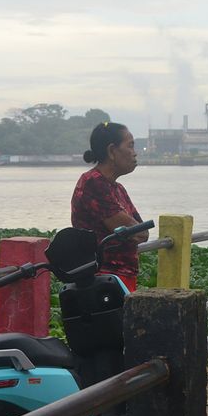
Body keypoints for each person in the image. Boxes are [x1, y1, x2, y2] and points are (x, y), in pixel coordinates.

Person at [70, 122, 148, 292]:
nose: (135, 153)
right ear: (112, 151)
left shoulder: (117, 188)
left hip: (120, 279)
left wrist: (136, 230)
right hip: (104, 282)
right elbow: (136, 232)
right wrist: (135, 230)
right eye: (131, 146)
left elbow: (142, 233)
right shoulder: (93, 183)